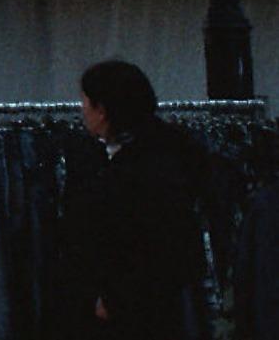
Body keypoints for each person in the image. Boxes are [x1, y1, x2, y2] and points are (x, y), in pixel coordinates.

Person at [60, 59, 209, 337]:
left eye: (85, 102)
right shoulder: (170, 153)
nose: (82, 111)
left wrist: (114, 298)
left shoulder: (136, 171)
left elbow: (150, 244)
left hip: (137, 313)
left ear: (102, 110)